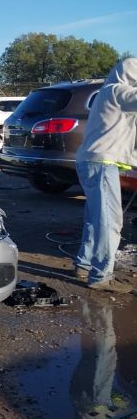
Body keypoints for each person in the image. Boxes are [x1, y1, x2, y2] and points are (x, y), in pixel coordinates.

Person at [74, 58, 137, 293]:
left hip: (92, 162)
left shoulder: (107, 94)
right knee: (110, 221)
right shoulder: (117, 91)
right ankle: (101, 276)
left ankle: (84, 263)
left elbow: (121, 134)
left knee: (95, 219)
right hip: (100, 165)